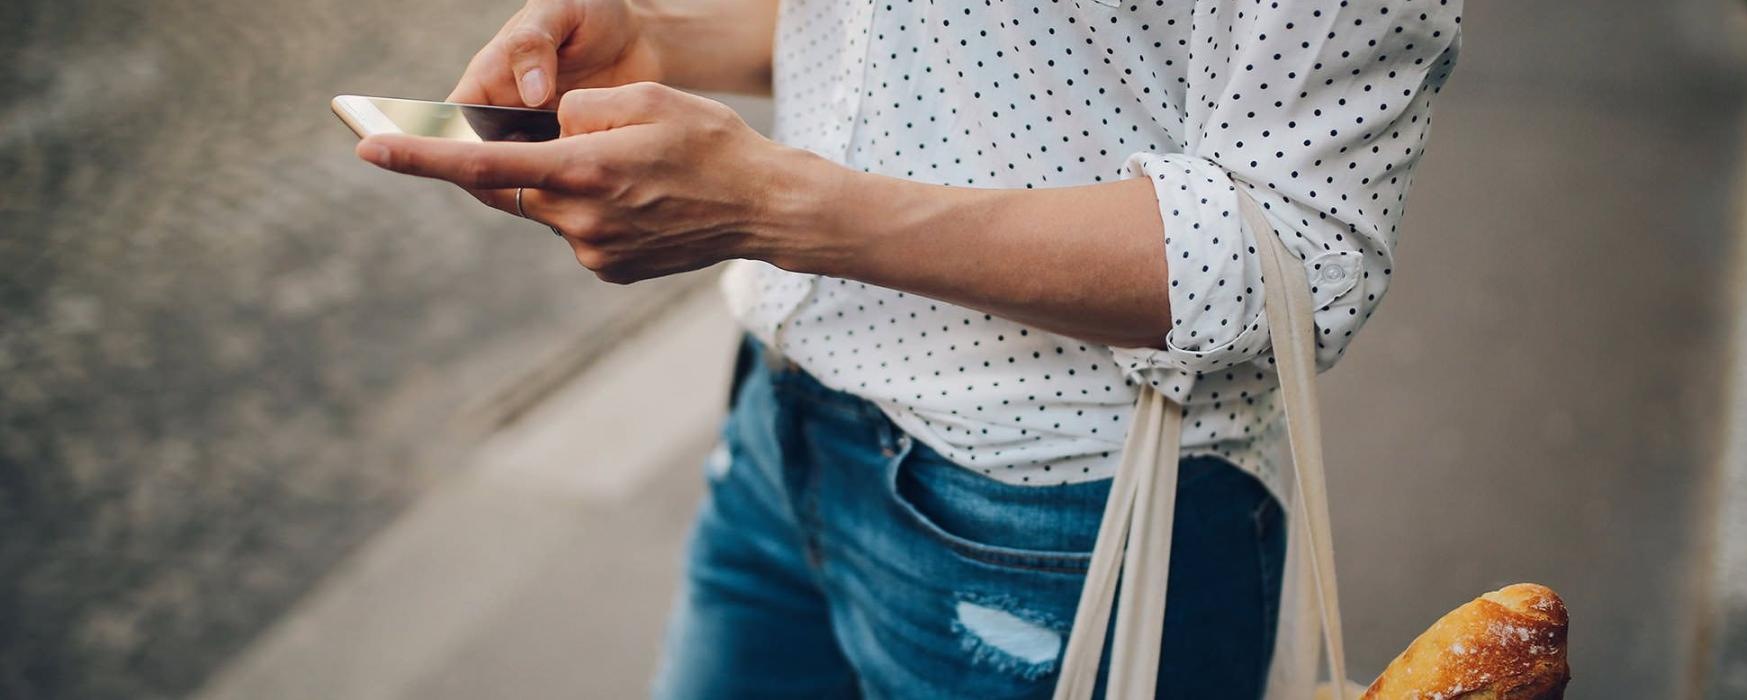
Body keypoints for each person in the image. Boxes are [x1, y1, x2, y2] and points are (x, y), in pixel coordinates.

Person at [356, 0, 1462, 696]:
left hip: (1061, 519)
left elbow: (1304, 246)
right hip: (780, 431)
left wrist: (781, 207)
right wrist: (659, 37)